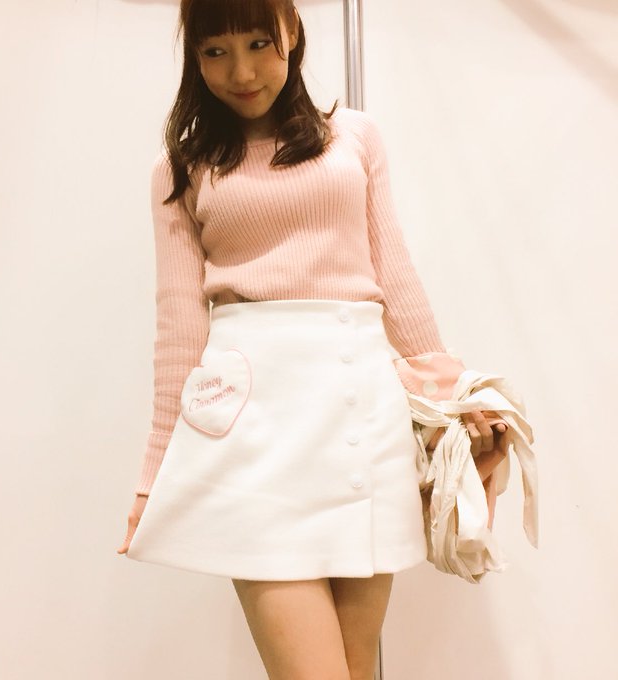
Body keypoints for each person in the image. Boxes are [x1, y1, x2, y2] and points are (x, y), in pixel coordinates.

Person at [116, 1, 508, 678]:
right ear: (194, 57)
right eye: (215, 52)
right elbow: (179, 328)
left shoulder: (355, 137)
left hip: (362, 421)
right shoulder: (181, 166)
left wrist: (454, 394)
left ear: (292, 32)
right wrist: (155, 478)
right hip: (256, 437)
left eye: (258, 43)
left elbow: (393, 274)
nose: (241, 72)